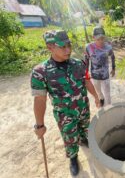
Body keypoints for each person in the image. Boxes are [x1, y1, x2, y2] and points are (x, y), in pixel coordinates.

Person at [31, 30, 100, 176]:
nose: (68, 50)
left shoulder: (79, 64)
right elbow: (40, 99)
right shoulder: (40, 72)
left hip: (83, 109)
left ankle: (84, 139)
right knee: (69, 137)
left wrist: (95, 96)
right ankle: (73, 158)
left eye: (69, 45)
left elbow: (86, 81)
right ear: (50, 47)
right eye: (63, 47)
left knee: (86, 128)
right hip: (65, 114)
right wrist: (39, 124)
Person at [84, 26, 115, 107]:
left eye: (102, 38)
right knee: (98, 91)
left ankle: (108, 107)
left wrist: (113, 68)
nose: (101, 41)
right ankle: (101, 99)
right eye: (98, 39)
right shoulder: (89, 47)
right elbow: (86, 59)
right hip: (94, 75)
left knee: (107, 94)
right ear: (93, 37)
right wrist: (86, 72)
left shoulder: (108, 47)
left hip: (105, 75)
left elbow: (112, 56)